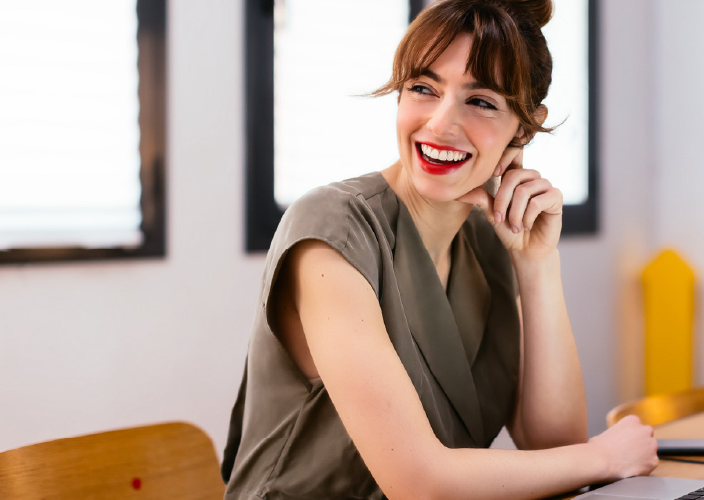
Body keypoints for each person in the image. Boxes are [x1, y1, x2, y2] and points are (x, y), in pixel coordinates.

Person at [221, 1, 658, 498]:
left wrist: (538, 266)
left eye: (482, 101)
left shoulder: (486, 240)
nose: (439, 125)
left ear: (525, 126)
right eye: (423, 89)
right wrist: (604, 456)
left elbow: (553, 445)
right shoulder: (333, 228)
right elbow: (418, 483)